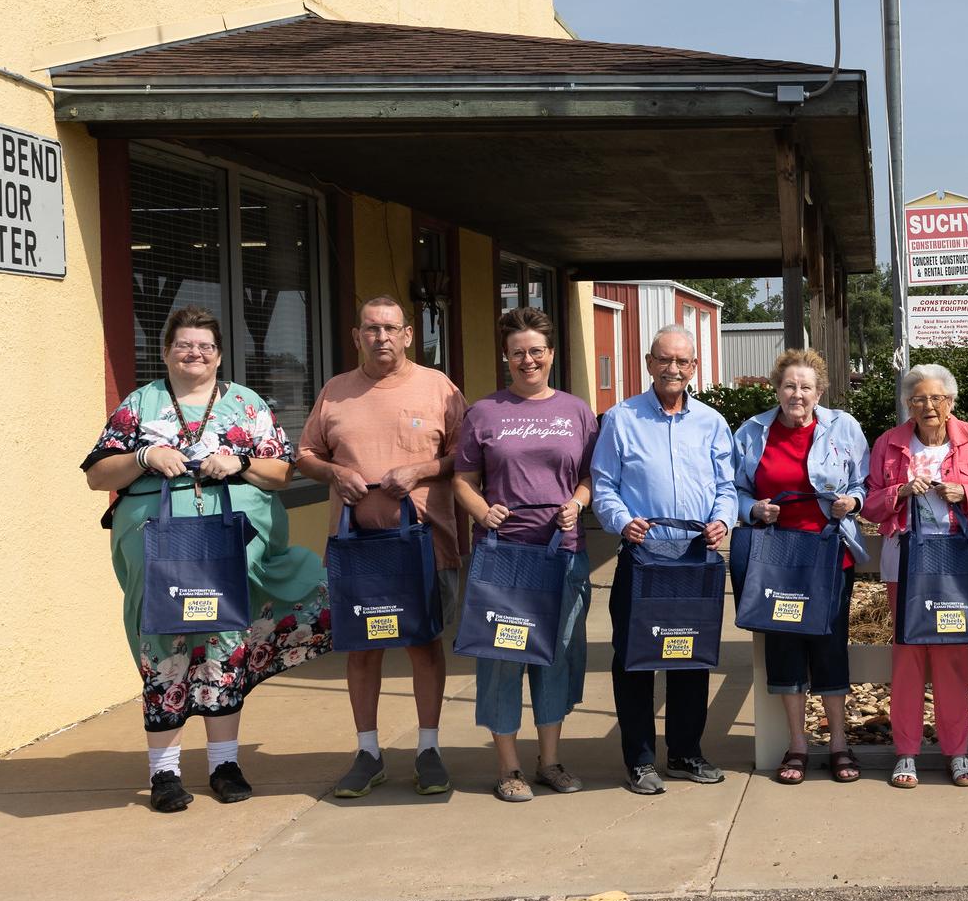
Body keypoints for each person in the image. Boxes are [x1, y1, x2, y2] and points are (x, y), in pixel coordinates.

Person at [83, 304, 330, 812]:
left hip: (230, 548)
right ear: (166, 350)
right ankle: (165, 773)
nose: (194, 353)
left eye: (205, 346)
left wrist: (239, 462)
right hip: (160, 550)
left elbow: (282, 472)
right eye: (184, 344)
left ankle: (223, 763)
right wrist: (143, 457)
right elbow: (97, 475)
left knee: (223, 643)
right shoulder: (141, 405)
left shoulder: (245, 405)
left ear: (219, 356)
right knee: (164, 642)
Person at [296, 296, 468, 800]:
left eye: (391, 328)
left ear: (409, 334)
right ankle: (368, 752)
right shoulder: (335, 392)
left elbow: (467, 453)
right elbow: (305, 455)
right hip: (357, 550)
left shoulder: (438, 388)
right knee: (362, 649)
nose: (382, 338)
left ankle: (429, 750)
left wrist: (421, 469)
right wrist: (333, 473)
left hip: (424, 547)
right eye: (371, 329)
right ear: (356, 336)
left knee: (422, 644)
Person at [451, 307, 596, 802]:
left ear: (551, 354)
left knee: (554, 656)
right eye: (519, 352)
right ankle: (508, 767)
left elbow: (592, 477)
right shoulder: (484, 412)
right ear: (506, 357)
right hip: (504, 559)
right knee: (502, 658)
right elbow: (462, 479)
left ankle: (549, 761)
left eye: (537, 351)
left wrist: (577, 504)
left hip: (562, 555)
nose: (528, 360)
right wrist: (480, 510)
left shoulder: (577, 412)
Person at [590, 324, 736, 795]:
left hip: (695, 555)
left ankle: (686, 753)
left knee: (688, 654)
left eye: (683, 361)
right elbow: (604, 485)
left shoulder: (712, 422)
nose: (673, 368)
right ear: (650, 363)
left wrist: (722, 521)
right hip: (644, 555)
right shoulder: (621, 418)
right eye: (664, 359)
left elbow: (726, 487)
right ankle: (640, 761)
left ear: (694, 367)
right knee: (635, 658)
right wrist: (621, 520)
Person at [862, 362, 968, 789]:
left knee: (952, 657)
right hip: (905, 562)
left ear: (951, 402)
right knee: (907, 658)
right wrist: (899, 491)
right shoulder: (890, 443)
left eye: (937, 398)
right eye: (919, 398)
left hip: (958, 563)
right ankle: (905, 753)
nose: (929, 406)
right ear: (908, 404)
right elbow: (869, 504)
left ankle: (957, 753)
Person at [733, 348, 870, 784]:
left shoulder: (842, 427)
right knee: (785, 647)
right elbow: (730, 489)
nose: (797, 394)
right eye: (789, 385)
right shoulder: (753, 432)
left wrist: (853, 501)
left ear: (820, 391)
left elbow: (863, 481)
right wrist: (753, 509)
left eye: (806, 387)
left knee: (829, 646)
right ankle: (797, 744)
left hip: (830, 555)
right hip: (776, 560)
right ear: (776, 388)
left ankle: (838, 744)